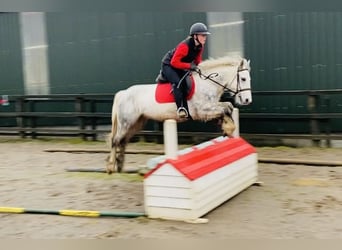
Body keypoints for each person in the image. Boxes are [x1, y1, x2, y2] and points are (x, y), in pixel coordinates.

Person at [159, 22, 210, 118]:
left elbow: (198, 61)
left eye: (205, 35)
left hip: (180, 65)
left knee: (187, 84)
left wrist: (200, 68)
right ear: (195, 36)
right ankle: (180, 108)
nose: (205, 38)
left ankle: (188, 107)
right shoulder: (184, 46)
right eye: (203, 35)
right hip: (168, 65)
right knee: (178, 83)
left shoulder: (200, 46)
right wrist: (190, 66)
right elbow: (174, 62)